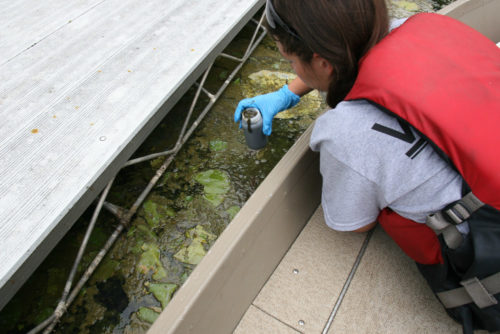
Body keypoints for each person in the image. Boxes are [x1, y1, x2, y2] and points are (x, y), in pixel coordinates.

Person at [234, 0, 500, 332]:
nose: (293, 71)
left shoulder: (344, 134)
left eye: (290, 62)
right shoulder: (418, 24)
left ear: (321, 61)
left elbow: (354, 224)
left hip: (487, 245)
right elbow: (352, 50)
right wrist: (289, 93)